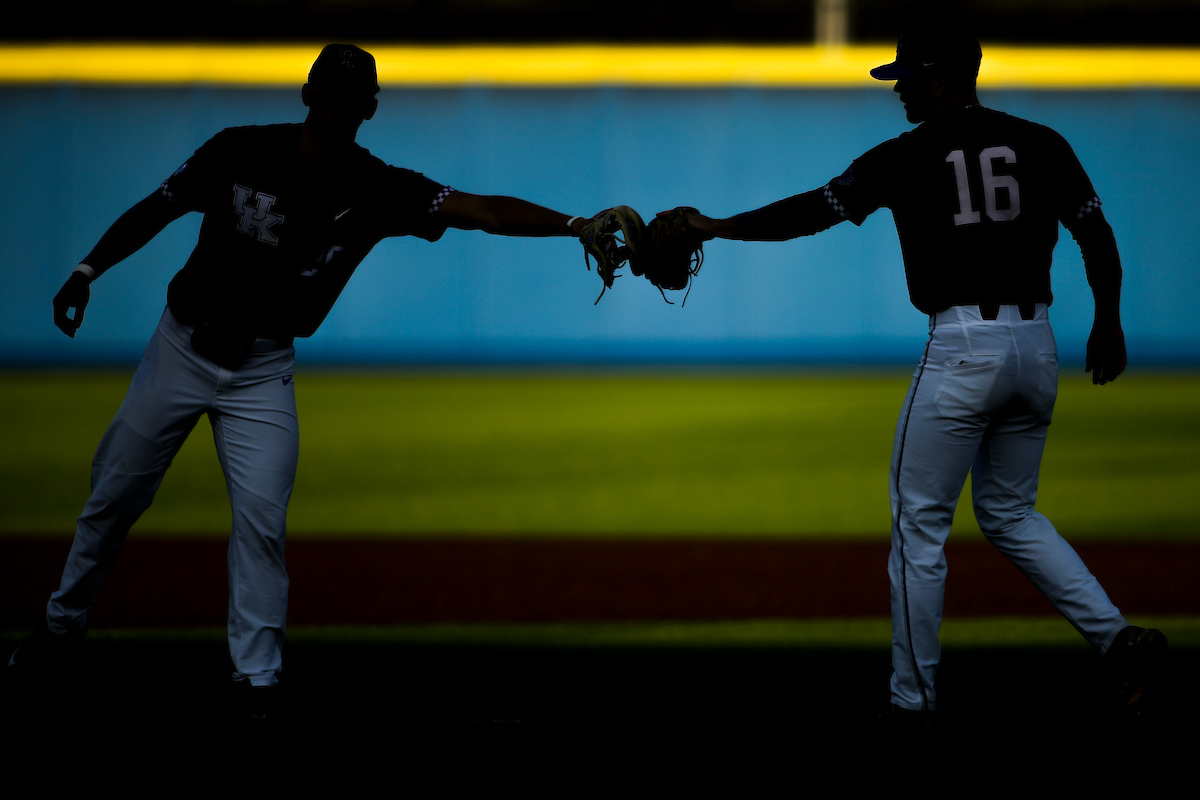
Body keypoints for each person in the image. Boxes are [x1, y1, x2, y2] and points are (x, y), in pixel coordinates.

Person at [7, 44, 598, 719]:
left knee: (261, 525)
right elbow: (159, 206)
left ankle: (257, 679)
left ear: (371, 107)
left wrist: (575, 225)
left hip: (262, 371)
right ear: (308, 92)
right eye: (331, 88)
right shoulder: (239, 149)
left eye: (354, 92)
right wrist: (87, 270)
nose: (341, 100)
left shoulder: (377, 186)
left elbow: (481, 211)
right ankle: (59, 631)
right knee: (113, 497)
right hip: (180, 348)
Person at [663, 20, 1166, 721]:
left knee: (919, 528)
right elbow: (1095, 234)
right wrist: (1108, 319)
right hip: (1037, 347)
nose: (899, 91)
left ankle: (913, 699)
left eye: (908, 79)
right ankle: (1118, 641)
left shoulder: (908, 154)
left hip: (962, 346)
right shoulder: (1041, 141)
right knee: (1010, 512)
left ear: (942, 77)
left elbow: (812, 212)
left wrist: (717, 225)